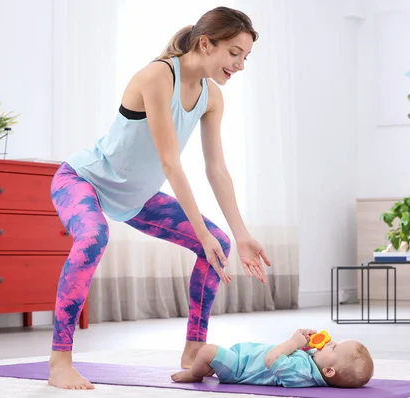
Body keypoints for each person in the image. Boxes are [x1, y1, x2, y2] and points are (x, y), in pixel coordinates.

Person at [47, 6, 272, 391]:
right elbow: (171, 163)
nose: (240, 64)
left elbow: (215, 169)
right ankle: (59, 361)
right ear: (206, 43)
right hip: (83, 180)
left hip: (137, 197)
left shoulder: (212, 96)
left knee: (216, 242)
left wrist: (241, 234)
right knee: (93, 237)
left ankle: (193, 350)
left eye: (246, 57)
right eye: (234, 53)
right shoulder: (157, 75)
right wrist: (199, 231)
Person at [171, 329, 374, 389]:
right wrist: (306, 343)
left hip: (240, 369)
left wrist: (293, 342)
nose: (330, 343)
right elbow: (301, 354)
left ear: (329, 371)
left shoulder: (301, 374)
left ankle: (194, 374)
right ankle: (208, 367)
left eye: (335, 347)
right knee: (212, 354)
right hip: (244, 358)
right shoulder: (313, 365)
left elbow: (272, 360)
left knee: (207, 351)